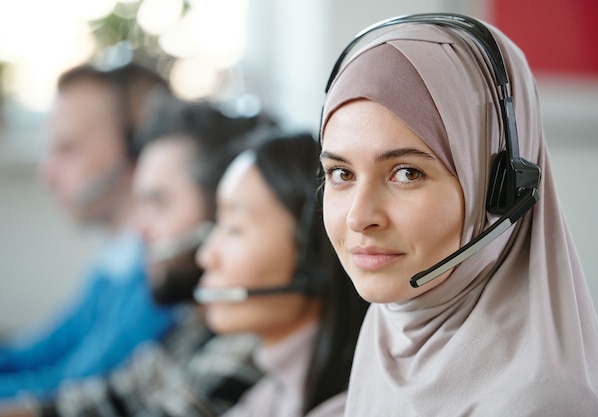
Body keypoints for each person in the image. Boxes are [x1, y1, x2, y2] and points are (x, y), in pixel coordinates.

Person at [319, 13, 598, 416]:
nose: (360, 217)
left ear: (501, 192)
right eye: (341, 173)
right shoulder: (390, 330)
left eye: (407, 173)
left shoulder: (542, 405)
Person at [0, 98, 272, 417]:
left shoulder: (246, 350)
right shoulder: (191, 324)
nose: (140, 230)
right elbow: (94, 400)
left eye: (159, 203)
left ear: (223, 212)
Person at [0, 63, 177, 400]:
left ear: (138, 145)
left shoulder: (155, 279)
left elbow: (66, 390)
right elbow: (36, 355)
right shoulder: (117, 262)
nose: (47, 174)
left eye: (67, 149)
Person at [195, 132, 369, 417]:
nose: (206, 255)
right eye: (218, 223)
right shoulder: (268, 397)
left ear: (313, 251)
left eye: (235, 228)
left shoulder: (353, 407)